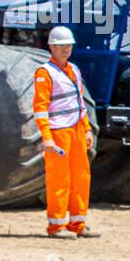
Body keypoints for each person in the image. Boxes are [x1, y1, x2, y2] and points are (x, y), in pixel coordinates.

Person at [34, 25, 98, 239]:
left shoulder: (74, 70)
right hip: (58, 132)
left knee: (81, 177)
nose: (66, 49)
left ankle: (77, 224)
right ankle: (56, 226)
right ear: (51, 46)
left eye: (68, 45)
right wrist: (47, 137)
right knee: (59, 179)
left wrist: (87, 130)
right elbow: (40, 108)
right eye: (61, 46)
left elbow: (80, 104)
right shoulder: (45, 73)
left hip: (77, 130)